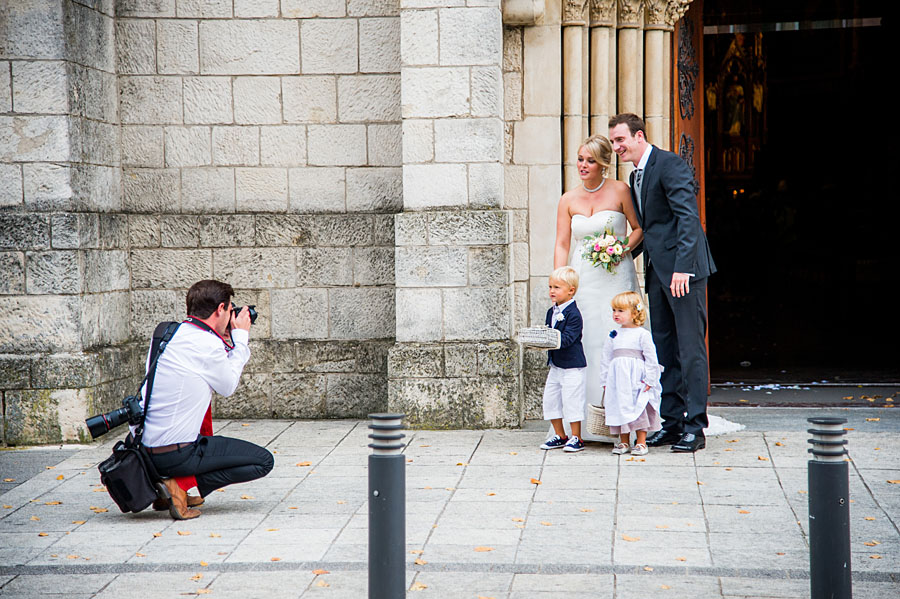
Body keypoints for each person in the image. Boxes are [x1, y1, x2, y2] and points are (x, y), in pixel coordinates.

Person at [608, 113, 716, 453]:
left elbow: (687, 217)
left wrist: (683, 268)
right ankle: (671, 423)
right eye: (613, 142)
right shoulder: (635, 174)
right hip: (658, 272)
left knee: (691, 349)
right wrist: (620, 255)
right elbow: (653, 228)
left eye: (620, 140)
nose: (616, 147)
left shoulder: (669, 165)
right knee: (665, 349)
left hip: (684, 273)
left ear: (639, 136)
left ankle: (695, 428)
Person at [135, 279, 274, 519]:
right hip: (175, 455)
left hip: (144, 448)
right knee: (263, 461)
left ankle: (170, 485)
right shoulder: (208, 344)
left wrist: (226, 335)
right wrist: (240, 338)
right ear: (220, 309)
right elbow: (228, 386)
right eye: (230, 310)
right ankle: (178, 485)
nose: (232, 316)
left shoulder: (168, 332)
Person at [552, 134, 644, 443]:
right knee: (585, 339)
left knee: (616, 340)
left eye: (590, 160)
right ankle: (580, 422)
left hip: (616, 277)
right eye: (580, 158)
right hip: (583, 279)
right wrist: (559, 279)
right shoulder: (568, 199)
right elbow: (562, 242)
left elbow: (638, 229)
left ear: (603, 164)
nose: (583, 165)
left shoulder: (620, 191)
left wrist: (620, 249)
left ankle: (622, 423)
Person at [597, 291, 662, 456]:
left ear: (634, 313)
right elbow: (606, 357)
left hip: (636, 378)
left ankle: (641, 442)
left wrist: (650, 379)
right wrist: (605, 379)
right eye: (614, 310)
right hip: (618, 380)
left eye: (620, 311)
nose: (616, 314)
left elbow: (651, 358)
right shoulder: (614, 335)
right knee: (620, 406)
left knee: (638, 406)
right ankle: (623, 440)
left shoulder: (642, 335)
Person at [539, 267, 588, 453]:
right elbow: (547, 332)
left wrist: (550, 339)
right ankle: (560, 435)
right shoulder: (551, 311)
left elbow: (568, 339)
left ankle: (577, 437)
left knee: (572, 400)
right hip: (556, 364)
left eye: (557, 287)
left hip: (572, 365)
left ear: (571, 290)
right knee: (551, 399)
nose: (552, 291)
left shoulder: (574, 314)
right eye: (550, 286)